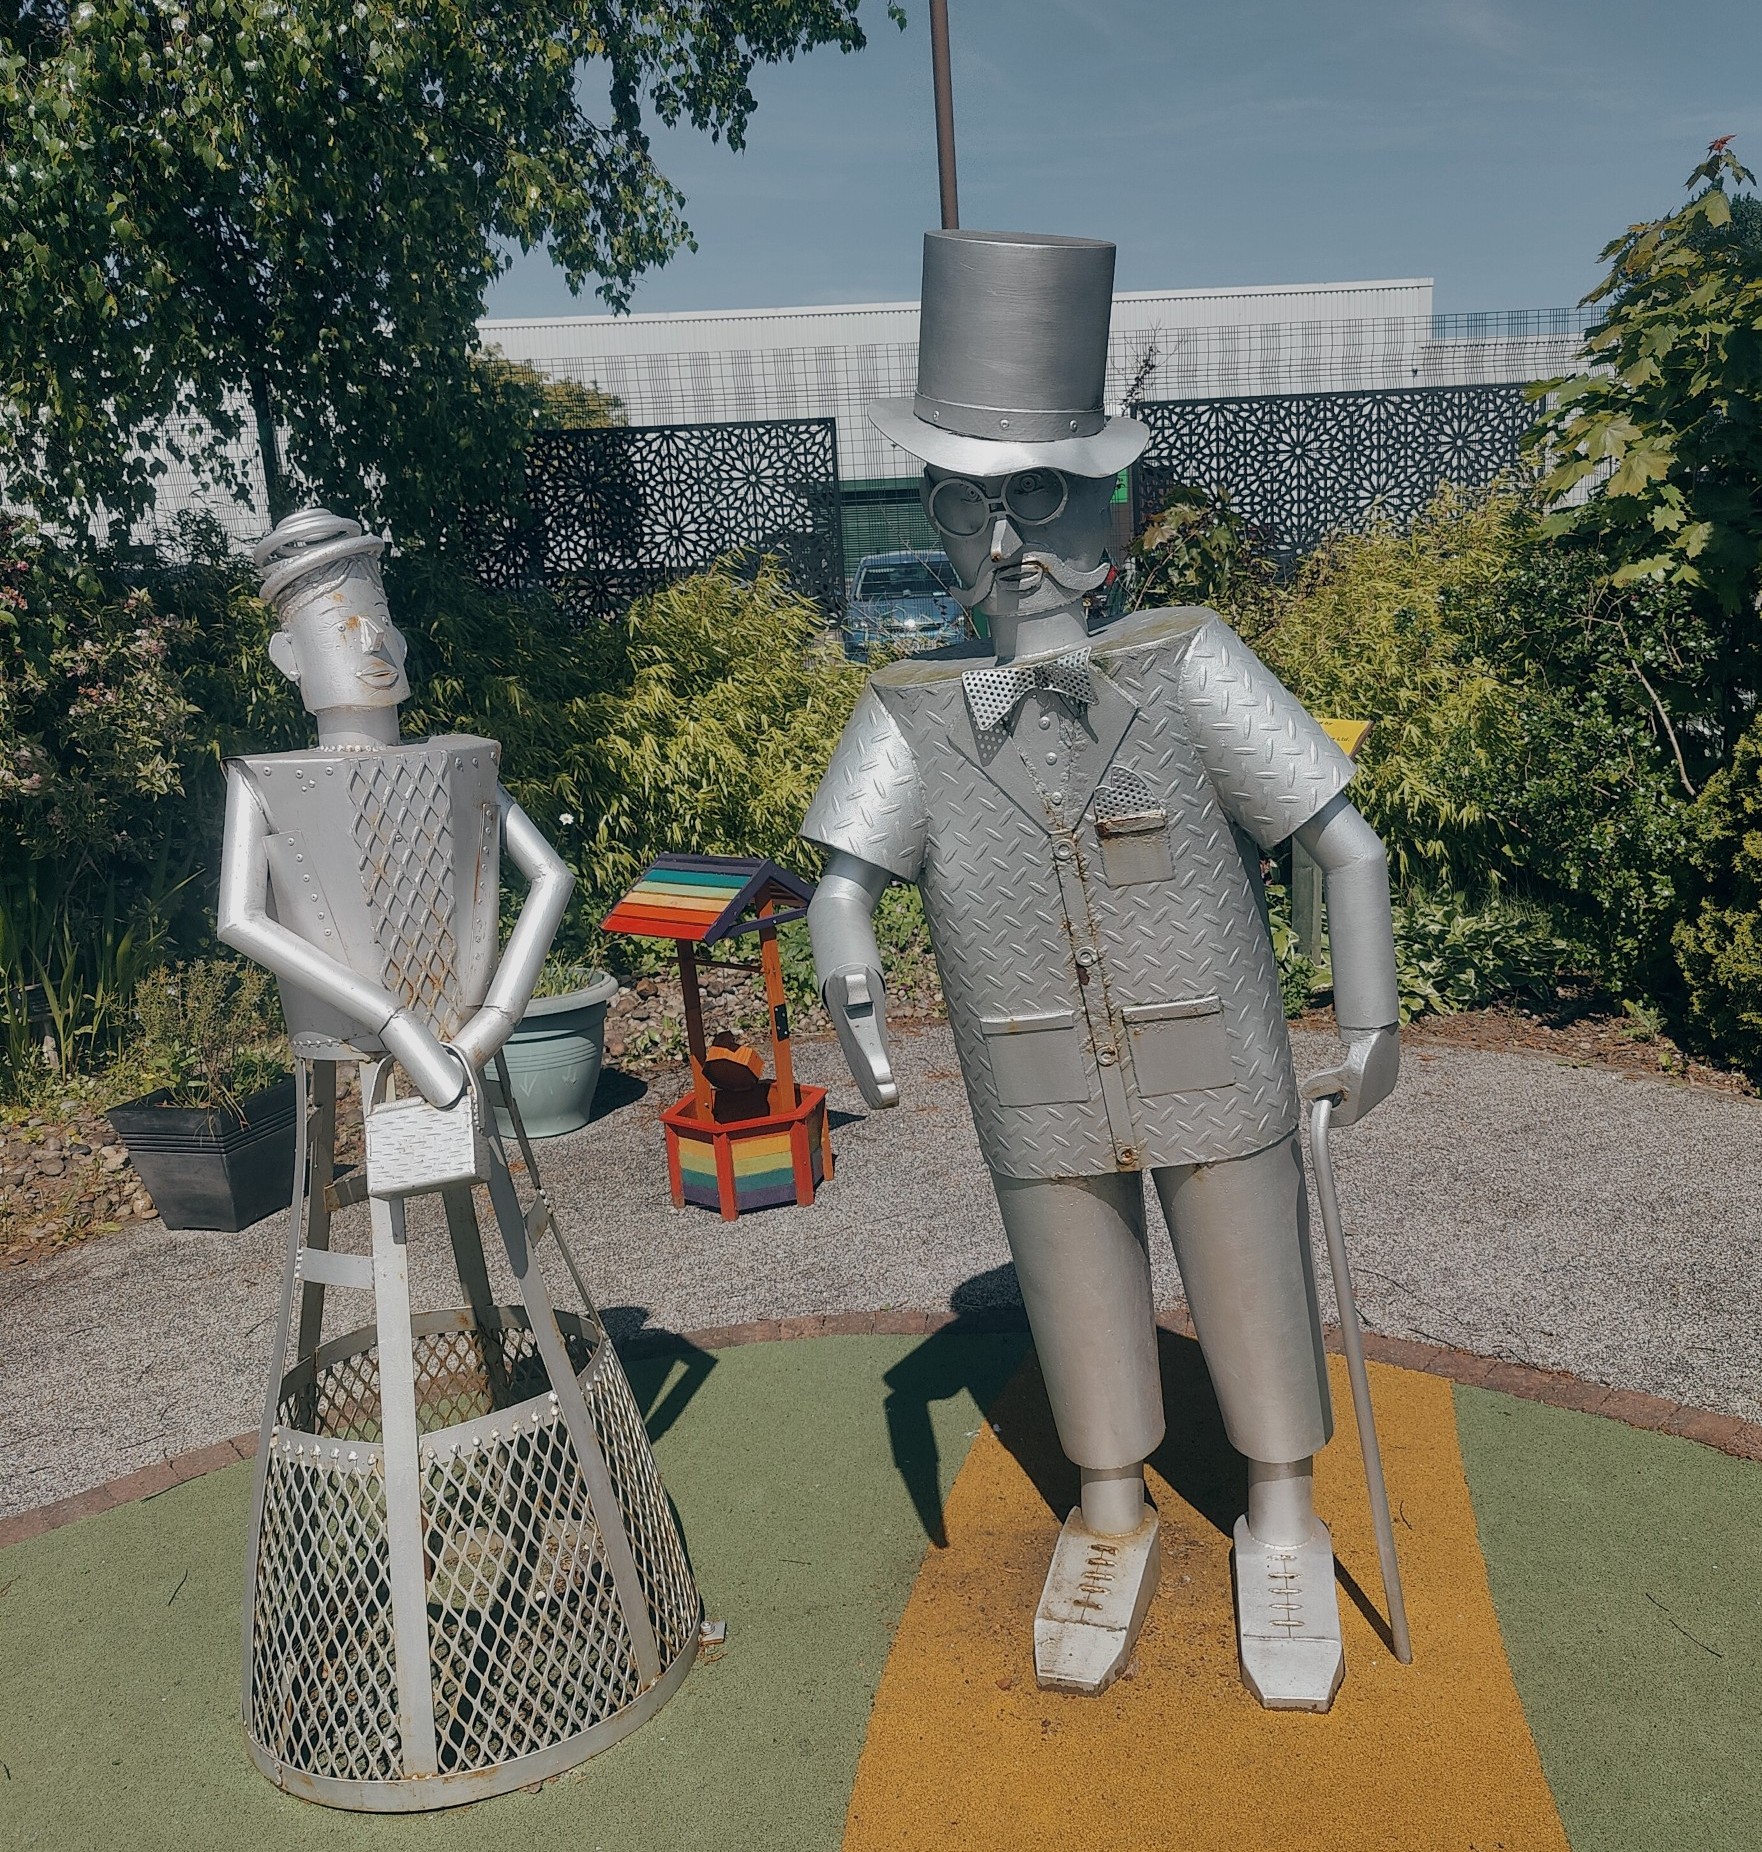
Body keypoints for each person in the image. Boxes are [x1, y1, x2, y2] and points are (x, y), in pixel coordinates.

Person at [801, 231, 1400, 1708]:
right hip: (1029, 1055)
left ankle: (1277, 1507)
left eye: (1038, 501)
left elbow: (1345, 840)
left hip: (1215, 1044)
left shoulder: (1188, 663)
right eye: (966, 506)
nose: (1005, 545)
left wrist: (1366, 1020)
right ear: (934, 519)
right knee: (1075, 1273)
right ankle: (1108, 1504)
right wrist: (854, 995)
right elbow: (841, 880)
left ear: (1100, 507)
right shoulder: (909, 712)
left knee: (1247, 1264)